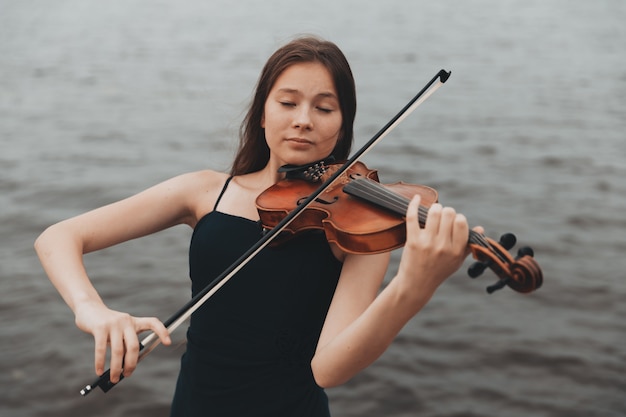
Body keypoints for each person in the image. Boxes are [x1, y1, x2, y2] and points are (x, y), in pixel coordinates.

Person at [35, 36, 475, 416]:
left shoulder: (360, 222)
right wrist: (91, 310)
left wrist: (412, 287)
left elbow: (329, 369)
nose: (303, 119)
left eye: (324, 108)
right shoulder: (205, 191)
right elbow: (58, 238)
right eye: (287, 102)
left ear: (342, 126)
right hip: (196, 405)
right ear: (262, 113)